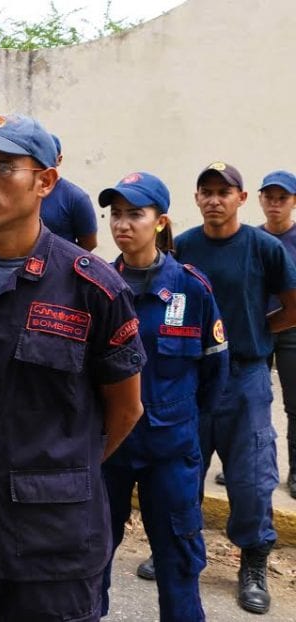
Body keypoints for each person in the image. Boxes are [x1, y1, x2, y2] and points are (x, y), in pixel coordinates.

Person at [0, 114, 145, 621]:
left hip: (53, 545)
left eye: (2, 168)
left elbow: (126, 409)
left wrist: (61, 470)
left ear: (45, 181)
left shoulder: (93, 287)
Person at [98, 171, 228, 621]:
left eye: (135, 214)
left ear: (160, 222)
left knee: (178, 564)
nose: (122, 224)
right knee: (88, 560)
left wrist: (182, 424)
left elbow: (214, 373)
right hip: (107, 450)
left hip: (170, 455)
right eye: (116, 214)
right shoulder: (95, 285)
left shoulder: (192, 288)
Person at [173, 162, 296, 614]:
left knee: (250, 478)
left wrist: (256, 334)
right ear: (197, 198)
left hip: (245, 376)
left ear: (241, 199)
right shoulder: (182, 246)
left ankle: (253, 562)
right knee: (184, 468)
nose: (213, 199)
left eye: (223, 192)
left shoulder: (263, 248)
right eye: (205, 191)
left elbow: (292, 305)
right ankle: (179, 553)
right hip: (194, 375)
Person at [257, 170, 296, 500]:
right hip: (258, 330)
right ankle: (246, 463)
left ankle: (295, 471)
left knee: (294, 404)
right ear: (259, 200)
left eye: (282, 198)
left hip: (293, 332)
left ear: (293, 202)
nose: (275, 204)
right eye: (269, 197)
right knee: (253, 400)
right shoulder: (253, 240)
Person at [40, 135, 98, 250]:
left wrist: (65, 262)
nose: (42, 159)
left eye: (48, 154)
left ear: (59, 159)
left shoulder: (76, 197)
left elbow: (89, 243)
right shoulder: (23, 191)